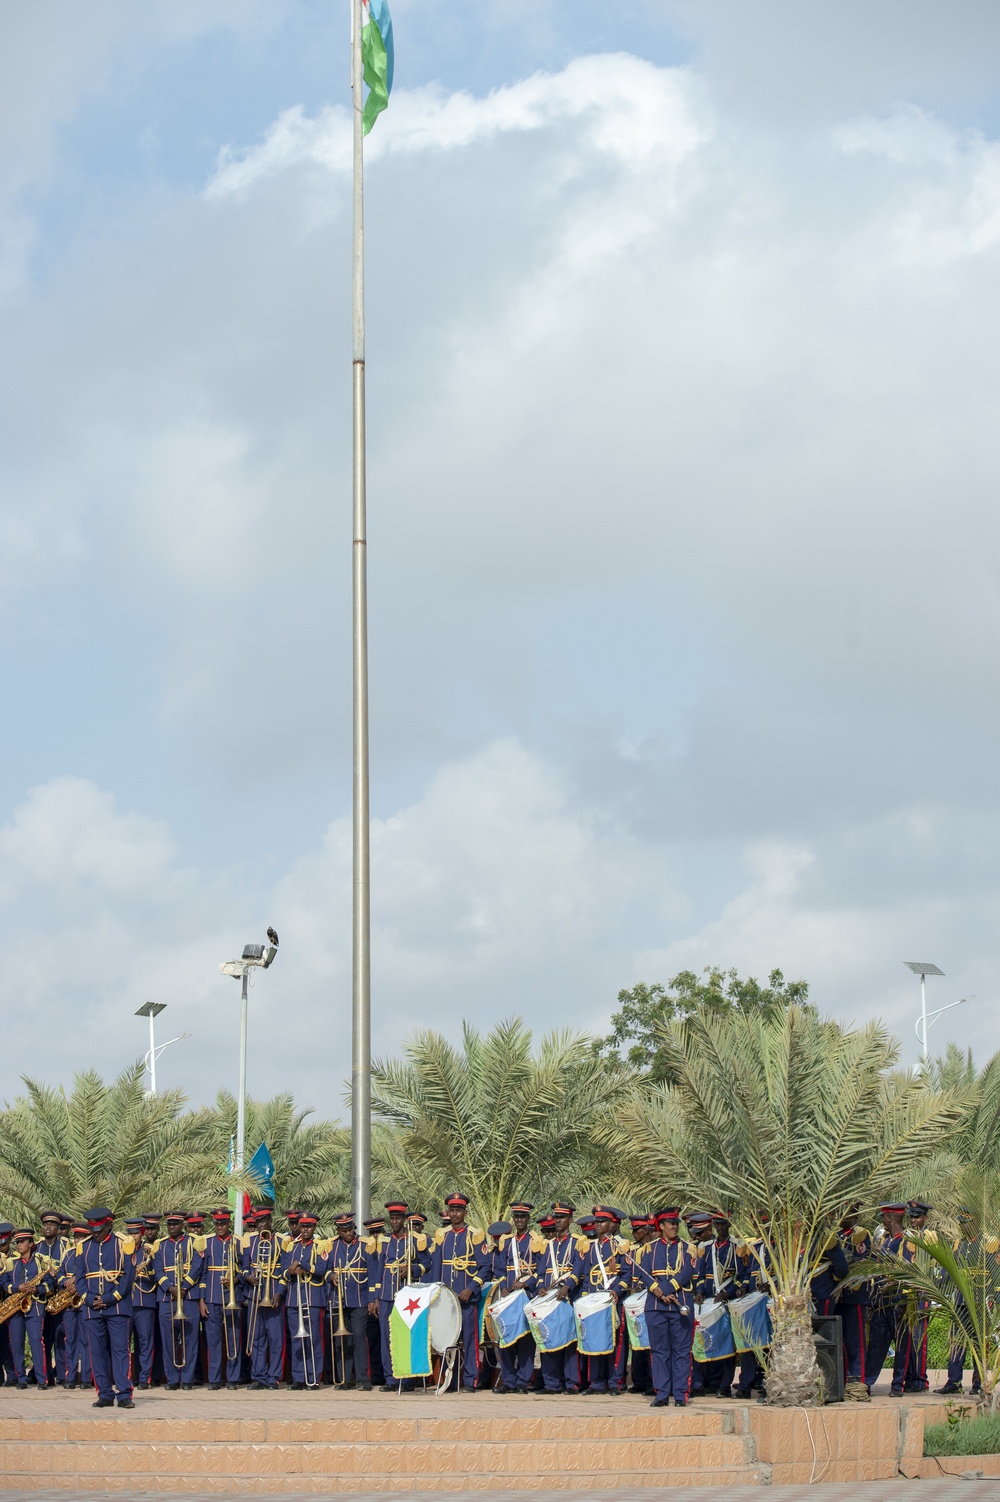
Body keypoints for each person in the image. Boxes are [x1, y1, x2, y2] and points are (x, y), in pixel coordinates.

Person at [71, 1207, 137, 1409]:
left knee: (120, 1351)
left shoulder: (122, 1244)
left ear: (109, 1225)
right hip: (92, 1309)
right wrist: (89, 1299)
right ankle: (104, 1393)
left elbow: (128, 1276)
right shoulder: (83, 1248)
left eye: (100, 1229)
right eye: (93, 1230)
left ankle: (124, 1393)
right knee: (97, 1352)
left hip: (117, 1307)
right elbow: (79, 1278)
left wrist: (109, 1298)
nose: (96, 1234)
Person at [426, 1194, 488, 1392]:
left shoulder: (475, 1235)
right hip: (446, 1299)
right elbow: (436, 1266)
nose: (454, 1214)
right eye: (452, 1210)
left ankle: (470, 1380)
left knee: (469, 1340)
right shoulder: (442, 1235)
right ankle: (448, 1380)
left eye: (458, 1210)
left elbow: (485, 1267)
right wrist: (436, 1292)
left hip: (466, 1297)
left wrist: (472, 1287)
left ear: (464, 1212)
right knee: (445, 1338)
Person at [567, 1205, 628, 1395]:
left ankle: (615, 1381)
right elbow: (585, 1275)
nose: (599, 1225)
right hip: (594, 1301)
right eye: (597, 1222)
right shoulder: (590, 1247)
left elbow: (626, 1275)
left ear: (611, 1224)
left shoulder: (620, 1246)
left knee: (614, 1342)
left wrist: (618, 1291)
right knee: (594, 1340)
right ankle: (596, 1382)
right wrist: (584, 1298)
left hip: (611, 1300)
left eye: (603, 1222)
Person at [368, 1201, 429, 1391]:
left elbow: (427, 1263)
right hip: (386, 1295)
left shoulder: (414, 1240)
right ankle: (391, 1379)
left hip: (406, 1296)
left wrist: (411, 1269)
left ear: (404, 1220)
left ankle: (407, 1379)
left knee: (405, 1336)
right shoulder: (385, 1240)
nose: (394, 1222)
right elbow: (378, 1270)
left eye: (398, 1218)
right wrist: (376, 1297)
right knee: (387, 1338)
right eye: (392, 1218)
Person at [644, 1207, 696, 1407]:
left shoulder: (688, 1248)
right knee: (659, 1351)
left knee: (681, 1351)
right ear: (661, 1226)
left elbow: (686, 1273)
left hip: (679, 1304)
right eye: (670, 1223)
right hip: (656, 1306)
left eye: (676, 1223)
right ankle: (662, 1393)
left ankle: (681, 1393)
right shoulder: (649, 1249)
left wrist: (666, 1289)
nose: (674, 1226)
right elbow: (644, 1273)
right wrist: (657, 1289)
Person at [493, 1202, 543, 1394]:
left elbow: (541, 1269)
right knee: (506, 1338)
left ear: (528, 1218)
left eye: (523, 1217)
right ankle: (508, 1381)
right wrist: (505, 1286)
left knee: (525, 1341)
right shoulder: (507, 1242)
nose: (519, 1220)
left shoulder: (535, 1241)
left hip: (527, 1295)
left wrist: (526, 1283)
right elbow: (499, 1268)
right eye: (516, 1217)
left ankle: (523, 1380)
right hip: (509, 1296)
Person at [534, 1201, 583, 1394]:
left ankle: (571, 1383)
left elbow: (578, 1268)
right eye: (556, 1218)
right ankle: (551, 1383)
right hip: (550, 1300)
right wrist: (540, 1288)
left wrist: (568, 1286)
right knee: (548, 1339)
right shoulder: (549, 1246)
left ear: (570, 1219)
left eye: (562, 1218)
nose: (558, 1221)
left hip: (567, 1298)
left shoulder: (577, 1243)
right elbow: (540, 1273)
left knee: (569, 1342)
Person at [153, 1211, 205, 1390]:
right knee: (168, 1341)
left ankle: (188, 1378)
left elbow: (198, 1267)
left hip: (188, 1297)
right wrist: (170, 1287)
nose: (172, 1227)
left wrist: (184, 1287)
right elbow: (157, 1270)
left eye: (175, 1223)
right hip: (166, 1297)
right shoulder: (159, 1246)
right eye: (169, 1224)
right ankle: (173, 1378)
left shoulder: (193, 1242)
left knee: (191, 1339)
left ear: (182, 1224)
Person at [1, 1228, 56, 1389]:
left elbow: (50, 1283)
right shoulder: (11, 1262)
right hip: (16, 1306)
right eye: (17, 1242)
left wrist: (37, 1289)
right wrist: (18, 1288)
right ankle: (21, 1379)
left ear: (31, 1244)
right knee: (16, 1342)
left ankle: (42, 1379)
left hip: (36, 1305)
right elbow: (4, 1283)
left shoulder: (41, 1261)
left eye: (22, 1242)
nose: (18, 1245)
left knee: (36, 1341)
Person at [697, 1212, 744, 1399]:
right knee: (704, 1341)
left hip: (726, 1301)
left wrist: (730, 1292)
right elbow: (700, 1275)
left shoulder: (736, 1247)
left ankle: (725, 1385)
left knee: (727, 1345)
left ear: (729, 1225)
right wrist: (700, 1291)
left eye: (724, 1224)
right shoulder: (706, 1248)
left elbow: (742, 1277)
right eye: (718, 1224)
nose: (721, 1227)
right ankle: (701, 1383)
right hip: (709, 1302)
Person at [280, 1213, 328, 1390]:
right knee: (297, 1340)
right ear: (298, 1227)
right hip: (294, 1298)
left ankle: (314, 1377)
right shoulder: (290, 1246)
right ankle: (299, 1377)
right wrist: (291, 1272)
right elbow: (283, 1271)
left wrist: (302, 1265)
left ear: (314, 1228)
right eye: (303, 1226)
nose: (306, 1230)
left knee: (313, 1339)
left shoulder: (320, 1246)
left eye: (309, 1226)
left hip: (312, 1297)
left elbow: (322, 1269)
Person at [864, 1201, 906, 1393]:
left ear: (890, 1217)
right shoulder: (885, 1241)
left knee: (901, 1345)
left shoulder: (907, 1240)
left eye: (884, 1218)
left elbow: (909, 1270)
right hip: (881, 1300)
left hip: (899, 1299)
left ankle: (898, 1384)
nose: (883, 1222)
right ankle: (867, 1382)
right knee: (876, 1343)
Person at [200, 1209, 244, 1390]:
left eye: (223, 1223)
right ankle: (215, 1379)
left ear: (229, 1224)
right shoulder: (207, 1243)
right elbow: (202, 1274)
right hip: (212, 1297)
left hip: (232, 1296)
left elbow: (245, 1268)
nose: (220, 1227)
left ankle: (233, 1378)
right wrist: (202, 1300)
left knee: (233, 1338)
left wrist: (236, 1279)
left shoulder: (238, 1243)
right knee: (214, 1340)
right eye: (217, 1224)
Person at [327, 1213, 372, 1389]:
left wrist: (370, 1298)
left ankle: (363, 1378)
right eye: (344, 1230)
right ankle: (345, 1378)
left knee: (359, 1336)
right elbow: (324, 1268)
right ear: (338, 1230)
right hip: (339, 1299)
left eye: (350, 1229)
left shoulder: (364, 1245)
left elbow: (372, 1272)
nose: (348, 1233)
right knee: (342, 1339)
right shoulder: (332, 1246)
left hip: (359, 1297)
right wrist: (331, 1275)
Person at [243, 1208, 285, 1390]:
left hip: (273, 1295)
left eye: (263, 1221)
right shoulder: (250, 1242)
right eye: (257, 1222)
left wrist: (280, 1292)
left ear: (270, 1221)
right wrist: (247, 1277)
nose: (260, 1225)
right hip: (255, 1295)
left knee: (275, 1339)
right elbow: (243, 1266)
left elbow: (285, 1271)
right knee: (256, 1338)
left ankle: (274, 1377)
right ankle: (259, 1376)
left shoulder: (282, 1242)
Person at [837, 1208, 873, 1401]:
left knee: (855, 1341)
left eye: (846, 1213)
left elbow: (860, 1262)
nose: (841, 1217)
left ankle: (858, 1380)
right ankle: (842, 1379)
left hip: (854, 1294)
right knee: (839, 1340)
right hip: (838, 1296)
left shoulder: (860, 1235)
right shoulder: (836, 1235)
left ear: (855, 1216)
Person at [38, 1210, 70, 1386]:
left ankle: (63, 1374)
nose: (48, 1227)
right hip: (42, 1298)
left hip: (60, 1297)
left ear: (59, 1229)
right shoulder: (37, 1246)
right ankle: (46, 1375)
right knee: (44, 1337)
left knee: (61, 1337)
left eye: (52, 1225)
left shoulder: (67, 1246)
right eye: (45, 1224)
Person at [126, 1218, 159, 1390]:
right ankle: (128, 1377)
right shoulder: (123, 1250)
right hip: (126, 1302)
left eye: (135, 1233)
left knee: (145, 1342)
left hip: (145, 1301)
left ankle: (144, 1376)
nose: (132, 1236)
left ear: (142, 1234)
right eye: (130, 1233)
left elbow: (155, 1277)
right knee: (125, 1343)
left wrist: (149, 1259)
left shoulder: (149, 1250)